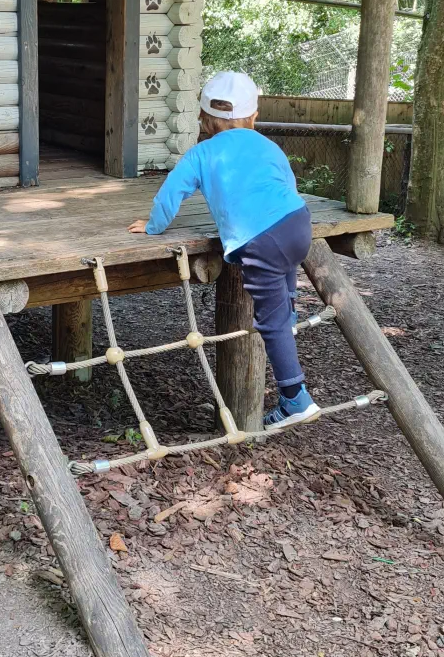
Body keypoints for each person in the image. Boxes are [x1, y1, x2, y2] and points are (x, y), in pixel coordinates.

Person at [128, 70, 320, 427]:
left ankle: (296, 399)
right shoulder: (268, 145)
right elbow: (288, 183)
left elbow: (171, 194)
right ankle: (290, 312)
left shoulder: (200, 154)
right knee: (285, 264)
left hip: (258, 239)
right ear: (254, 117)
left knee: (270, 322)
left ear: (202, 118)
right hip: (298, 222)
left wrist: (152, 226)